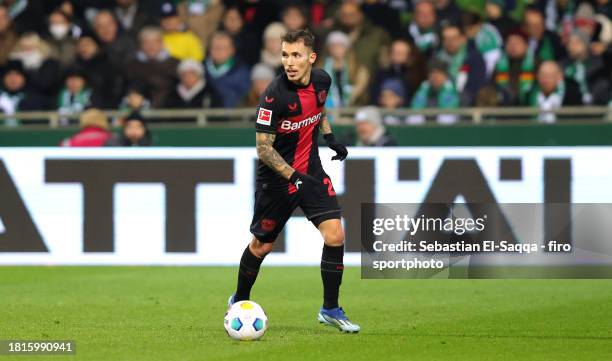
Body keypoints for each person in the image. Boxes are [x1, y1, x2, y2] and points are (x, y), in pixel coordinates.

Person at [228, 29, 360, 333]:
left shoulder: (322, 80)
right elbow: (263, 148)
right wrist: (292, 177)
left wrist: (329, 137)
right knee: (261, 247)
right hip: (276, 180)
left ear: (311, 58)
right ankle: (239, 300)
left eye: (296, 55)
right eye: (285, 55)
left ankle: (330, 308)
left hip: (310, 172)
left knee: (335, 235)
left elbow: (319, 108)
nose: (289, 61)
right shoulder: (273, 97)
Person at [124, 27, 179, 108]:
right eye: (147, 42)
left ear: (162, 43)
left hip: (171, 110)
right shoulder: (132, 66)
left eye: (155, 42)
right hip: (141, 110)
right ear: (140, 45)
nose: (151, 46)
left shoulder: (175, 64)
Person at [436, 22, 487, 105]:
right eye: (446, 38)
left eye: (454, 38)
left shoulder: (474, 59)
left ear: (463, 39)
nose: (450, 42)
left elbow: (476, 86)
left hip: (466, 103)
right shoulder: (436, 59)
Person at [320, 31, 370, 107]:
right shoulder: (321, 67)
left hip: (353, 106)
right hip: (327, 107)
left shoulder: (357, 68)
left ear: (346, 48)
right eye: (333, 46)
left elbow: (360, 84)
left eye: (340, 45)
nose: (336, 49)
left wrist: (352, 94)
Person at [205, 31, 250, 108]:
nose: (219, 51)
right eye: (216, 47)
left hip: (232, 116)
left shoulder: (242, 72)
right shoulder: (200, 70)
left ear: (232, 50)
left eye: (223, 48)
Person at [410, 59, 460, 124]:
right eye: (432, 73)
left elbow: (449, 109)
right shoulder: (424, 89)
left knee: (446, 117)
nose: (435, 77)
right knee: (414, 118)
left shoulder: (454, 90)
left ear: (445, 75)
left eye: (438, 73)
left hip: (453, 126)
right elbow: (416, 108)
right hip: (426, 124)